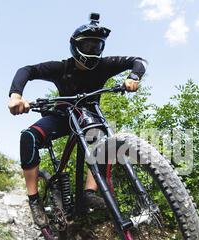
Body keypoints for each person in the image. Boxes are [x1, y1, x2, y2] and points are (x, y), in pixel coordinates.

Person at [8, 13, 147, 229]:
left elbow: (137, 61)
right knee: (29, 136)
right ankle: (34, 200)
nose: (93, 51)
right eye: (88, 46)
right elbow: (27, 70)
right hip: (63, 116)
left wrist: (134, 77)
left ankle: (89, 193)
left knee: (106, 143)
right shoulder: (62, 68)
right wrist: (16, 95)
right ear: (76, 46)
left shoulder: (104, 66)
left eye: (97, 46)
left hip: (90, 117)